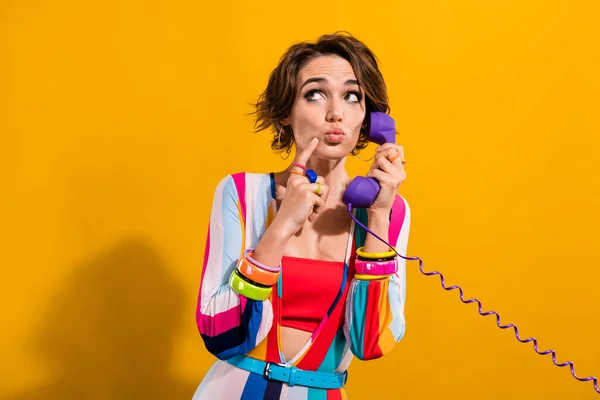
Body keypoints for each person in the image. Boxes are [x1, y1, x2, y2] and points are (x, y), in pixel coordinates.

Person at [193, 32, 410, 399]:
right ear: (285, 114)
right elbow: (221, 331)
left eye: (351, 96)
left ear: (369, 120)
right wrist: (279, 228)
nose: (335, 113)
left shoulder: (388, 211)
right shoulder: (242, 193)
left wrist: (377, 218)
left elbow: (370, 341)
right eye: (314, 93)